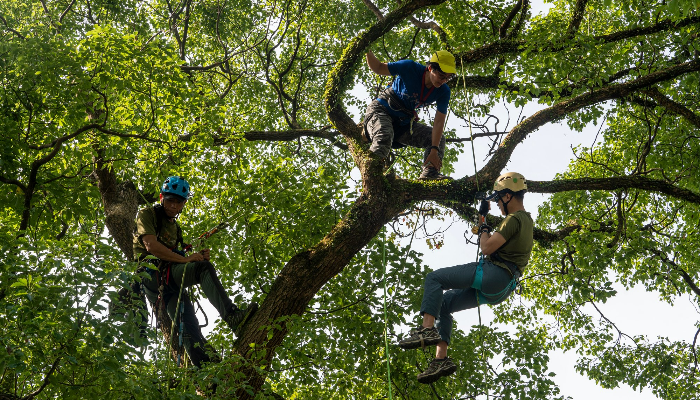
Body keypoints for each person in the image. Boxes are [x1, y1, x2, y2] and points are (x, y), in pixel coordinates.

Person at [397, 172, 533, 383]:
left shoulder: (515, 219)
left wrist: (485, 230)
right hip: (501, 288)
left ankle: (426, 330)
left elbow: (487, 247)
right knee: (443, 304)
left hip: (494, 274)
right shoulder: (526, 222)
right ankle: (441, 360)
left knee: (435, 279)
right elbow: (494, 240)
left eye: (498, 199)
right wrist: (484, 221)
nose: (497, 203)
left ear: (508, 196)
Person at [132, 176, 258, 367]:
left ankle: (208, 370)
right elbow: (151, 246)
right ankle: (233, 317)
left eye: (179, 202)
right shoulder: (147, 215)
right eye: (170, 200)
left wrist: (195, 256)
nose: (174, 206)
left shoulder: (176, 229)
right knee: (202, 269)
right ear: (161, 197)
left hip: (170, 282)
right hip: (152, 275)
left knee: (189, 325)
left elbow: (177, 255)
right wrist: (187, 260)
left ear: (183, 204)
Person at [363, 49, 456, 180]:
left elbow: (439, 121)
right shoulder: (409, 67)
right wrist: (367, 49)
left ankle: (430, 173)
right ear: (430, 68)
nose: (443, 81)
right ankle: (373, 173)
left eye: (447, 78)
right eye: (441, 76)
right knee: (384, 133)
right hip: (381, 110)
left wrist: (434, 150)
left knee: (437, 139)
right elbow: (378, 67)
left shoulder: (444, 91)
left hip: (402, 123)